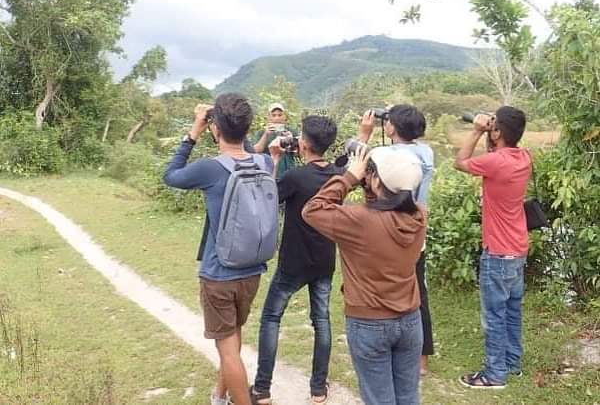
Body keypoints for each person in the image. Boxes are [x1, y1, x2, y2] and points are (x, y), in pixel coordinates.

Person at [164, 93, 274, 405]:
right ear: (248, 127)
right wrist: (230, 126)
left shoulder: (209, 169)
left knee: (228, 351)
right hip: (252, 270)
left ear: (215, 128)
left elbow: (171, 175)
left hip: (219, 275)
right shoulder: (265, 162)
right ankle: (219, 396)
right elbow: (245, 149)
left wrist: (193, 132)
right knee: (233, 337)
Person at [302, 145, 427, 405]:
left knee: (379, 399)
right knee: (408, 396)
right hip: (410, 320)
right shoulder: (418, 215)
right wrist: (371, 182)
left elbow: (312, 210)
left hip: (369, 322)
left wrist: (350, 177)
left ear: (377, 181)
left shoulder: (358, 220)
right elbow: (388, 208)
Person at [250, 116, 341, 405]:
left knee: (271, 318)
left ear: (304, 143)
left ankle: (262, 389)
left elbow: (267, 199)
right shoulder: (340, 176)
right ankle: (318, 389)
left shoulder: (296, 177)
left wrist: (275, 159)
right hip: (324, 259)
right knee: (322, 320)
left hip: (293, 261)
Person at [454, 106, 531, 389]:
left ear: (498, 132)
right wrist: (494, 133)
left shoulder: (495, 162)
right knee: (512, 311)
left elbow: (460, 162)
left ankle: (494, 374)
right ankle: (512, 363)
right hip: (517, 249)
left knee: (495, 315)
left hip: (498, 252)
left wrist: (477, 130)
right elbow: (497, 153)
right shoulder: (524, 157)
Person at [358, 104, 435, 375]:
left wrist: (364, 133)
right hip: (416, 231)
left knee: (383, 292)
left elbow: (355, 161)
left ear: (391, 128)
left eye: (388, 121)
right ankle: (421, 360)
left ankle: (385, 348)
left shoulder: (384, 154)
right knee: (418, 293)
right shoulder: (426, 152)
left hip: (386, 232)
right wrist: (399, 115)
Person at [254, 103, 297, 178]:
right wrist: (266, 134)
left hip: (289, 173)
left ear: (285, 117)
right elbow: (256, 151)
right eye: (273, 115)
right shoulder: (261, 133)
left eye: (280, 115)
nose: (277, 118)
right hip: (268, 173)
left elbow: (299, 153)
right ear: (268, 117)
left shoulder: (291, 132)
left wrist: (291, 140)